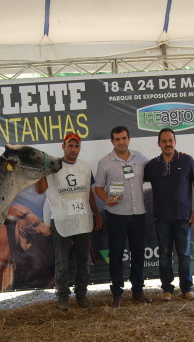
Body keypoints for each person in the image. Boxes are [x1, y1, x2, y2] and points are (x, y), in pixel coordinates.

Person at [36, 132, 103, 311]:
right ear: (63, 146)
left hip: (82, 219)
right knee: (62, 262)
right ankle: (63, 296)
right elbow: (40, 190)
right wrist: (42, 172)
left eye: (77, 146)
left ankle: (81, 294)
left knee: (83, 261)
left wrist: (97, 213)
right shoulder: (53, 166)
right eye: (70, 146)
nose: (73, 149)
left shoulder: (85, 167)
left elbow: (89, 192)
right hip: (60, 219)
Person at [94, 125, 151, 307]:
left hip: (138, 214)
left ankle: (138, 291)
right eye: (117, 139)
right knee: (116, 255)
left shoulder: (140, 158)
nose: (121, 142)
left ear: (129, 139)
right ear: (112, 141)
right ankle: (117, 293)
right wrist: (106, 200)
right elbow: (98, 187)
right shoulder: (105, 162)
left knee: (138, 254)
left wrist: (176, 156)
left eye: (124, 138)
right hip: (116, 216)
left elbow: (155, 170)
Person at [143, 128, 194, 301]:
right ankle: (167, 290)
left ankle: (187, 288)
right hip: (161, 217)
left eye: (170, 140)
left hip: (184, 217)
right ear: (159, 144)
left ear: (175, 142)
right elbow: (135, 180)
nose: (167, 144)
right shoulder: (152, 165)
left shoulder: (187, 160)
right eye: (164, 141)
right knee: (164, 255)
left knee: (185, 254)